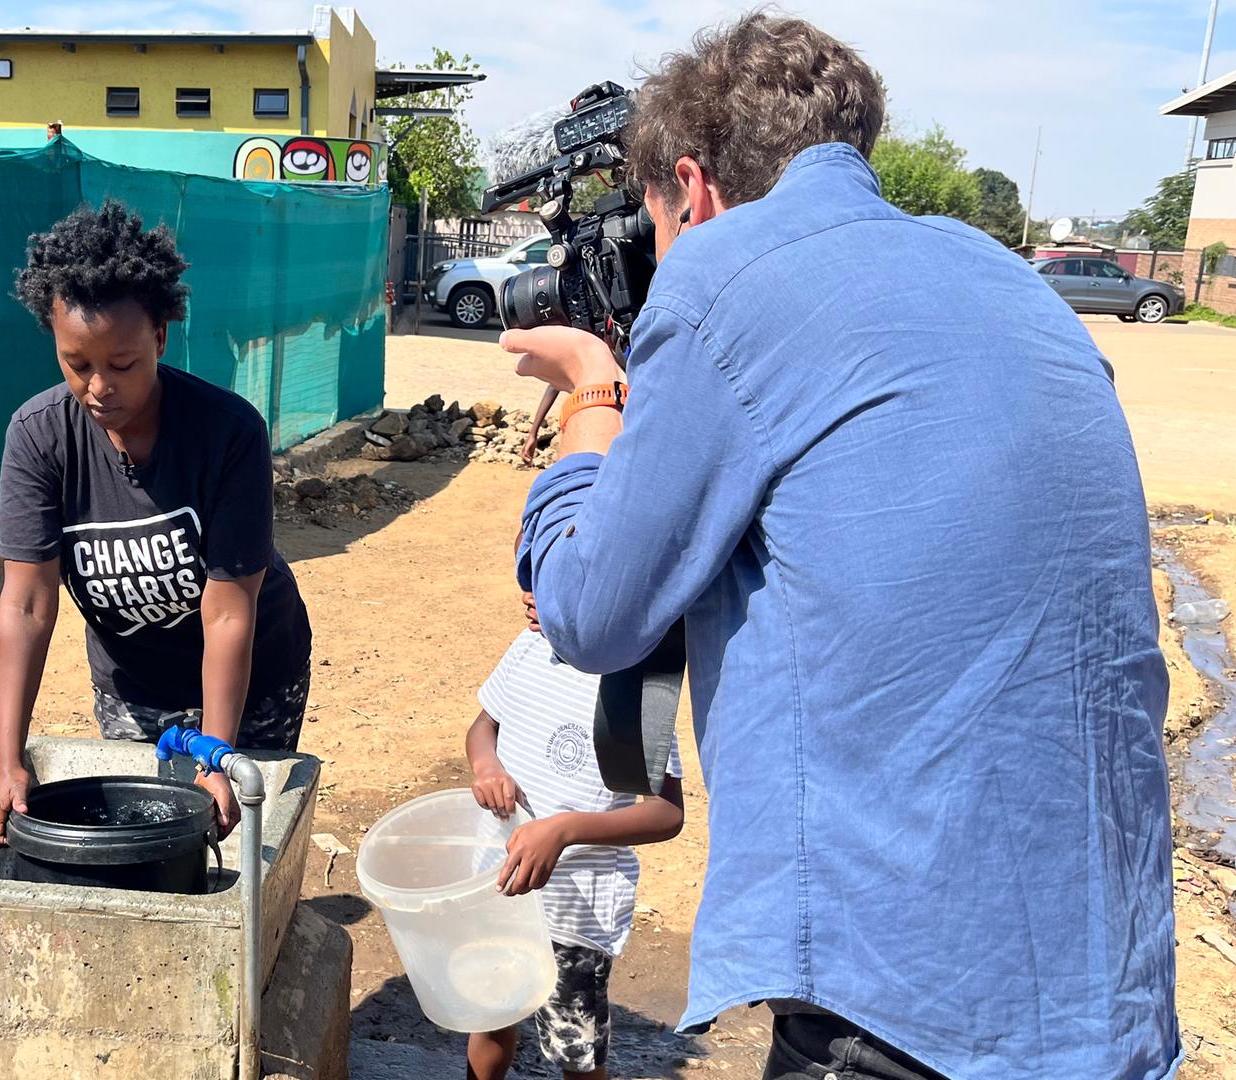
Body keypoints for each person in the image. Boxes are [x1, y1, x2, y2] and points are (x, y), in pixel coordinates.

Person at [504, 14, 1176, 1080]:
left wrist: (592, 388)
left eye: (656, 227)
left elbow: (590, 611)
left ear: (697, 186)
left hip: (897, 993)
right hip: (1102, 988)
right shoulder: (1010, 281)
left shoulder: (724, 272)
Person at [0, 199, 313, 842]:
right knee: (151, 841)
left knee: (238, 836)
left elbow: (227, 612)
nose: (99, 386)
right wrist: (8, 762)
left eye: (123, 364)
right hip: (135, 687)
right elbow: (25, 606)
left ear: (160, 338)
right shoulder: (38, 436)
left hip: (255, 670)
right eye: (77, 364)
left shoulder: (228, 433)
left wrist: (218, 756)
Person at [465, 590, 685, 1080]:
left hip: (572, 911)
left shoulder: (633, 684)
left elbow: (666, 814)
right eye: (528, 572)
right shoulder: (528, 648)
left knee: (577, 1052)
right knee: (491, 1020)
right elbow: (484, 727)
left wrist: (565, 830)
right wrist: (486, 767)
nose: (528, 594)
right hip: (498, 886)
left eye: (552, 578)